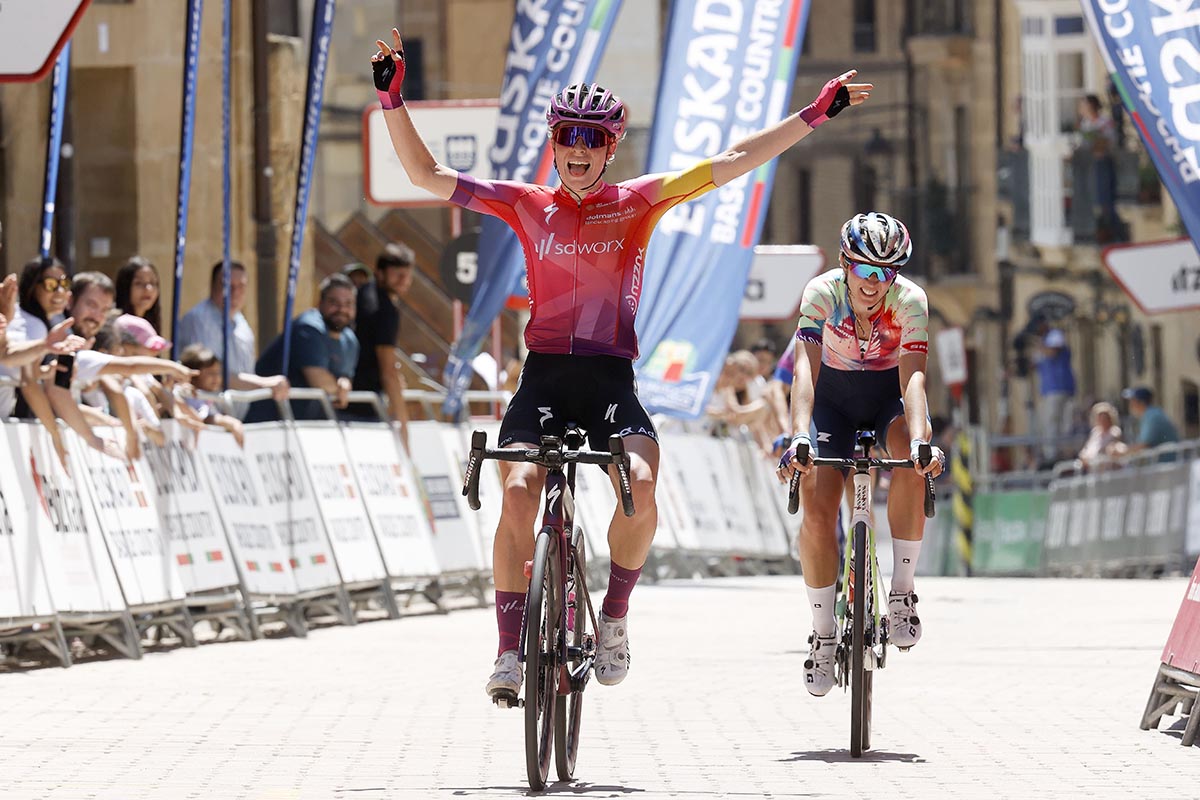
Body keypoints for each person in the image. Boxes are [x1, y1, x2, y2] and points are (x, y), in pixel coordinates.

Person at [369, 26, 871, 700]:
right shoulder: (526, 204)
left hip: (610, 381)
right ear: (554, 143)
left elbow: (732, 160)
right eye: (566, 137)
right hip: (544, 380)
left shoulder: (638, 202)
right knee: (516, 494)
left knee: (640, 482)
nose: (577, 150)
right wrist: (392, 100)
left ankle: (613, 619)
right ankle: (509, 651)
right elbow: (425, 176)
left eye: (592, 139)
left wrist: (813, 113)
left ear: (610, 148)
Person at [776, 211, 945, 698]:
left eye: (886, 273)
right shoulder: (821, 293)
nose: (873, 283)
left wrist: (920, 441)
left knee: (911, 457)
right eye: (865, 270)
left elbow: (914, 376)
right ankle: (824, 634)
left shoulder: (910, 300)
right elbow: (804, 372)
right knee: (817, 506)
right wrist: (798, 436)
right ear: (844, 263)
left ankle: (902, 591)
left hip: (887, 396)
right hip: (831, 400)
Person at [174, 260, 290, 416]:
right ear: (213, 286)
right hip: (204, 418)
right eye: (227, 285)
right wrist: (264, 383)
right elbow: (210, 374)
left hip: (236, 419)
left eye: (241, 286)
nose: (235, 292)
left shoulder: (242, 324)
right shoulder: (199, 320)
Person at [248, 273, 359, 422]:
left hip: (308, 424)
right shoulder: (308, 328)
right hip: (270, 421)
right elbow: (319, 381)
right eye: (334, 302)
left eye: (348, 304)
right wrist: (341, 389)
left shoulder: (350, 341)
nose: (342, 309)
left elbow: (344, 377)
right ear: (319, 303)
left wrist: (344, 383)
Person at [349, 243, 414, 449]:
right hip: (363, 404)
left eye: (407, 275)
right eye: (398, 275)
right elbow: (388, 371)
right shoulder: (385, 309)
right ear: (379, 272)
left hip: (344, 394)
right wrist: (403, 424)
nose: (404, 281)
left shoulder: (362, 293)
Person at [1034, 324, 1076, 468]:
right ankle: (1050, 454)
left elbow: (1053, 351)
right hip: (1048, 390)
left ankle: (1057, 454)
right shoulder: (1042, 343)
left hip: (1060, 388)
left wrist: (1039, 345)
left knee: (1059, 423)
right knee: (1048, 424)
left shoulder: (1054, 335)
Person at [1121, 386, 1180, 453]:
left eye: (1133, 401)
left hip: (1165, 458)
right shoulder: (1151, 413)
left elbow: (1143, 445)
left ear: (1141, 402)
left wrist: (1122, 452)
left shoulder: (1152, 417)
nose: (1130, 405)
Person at [114, 256, 163, 333]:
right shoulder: (115, 326)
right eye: (139, 283)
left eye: (153, 283)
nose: (148, 289)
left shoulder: (152, 325)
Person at [1076, 400, 1126, 470]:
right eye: (1100, 418)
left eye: (1105, 418)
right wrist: (1084, 455)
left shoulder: (1114, 432)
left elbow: (1113, 449)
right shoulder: (1095, 432)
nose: (1102, 420)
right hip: (1091, 467)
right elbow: (1087, 448)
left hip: (1106, 468)